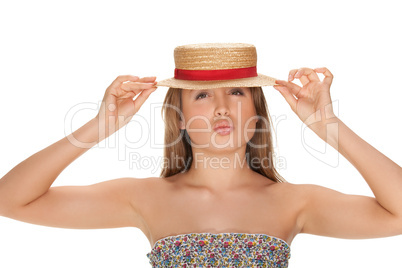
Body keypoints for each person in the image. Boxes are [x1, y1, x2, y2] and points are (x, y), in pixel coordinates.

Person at [0, 43, 401, 267]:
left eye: (238, 91)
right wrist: (99, 128)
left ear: (257, 111)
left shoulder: (296, 202)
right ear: (180, 116)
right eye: (204, 95)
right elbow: (9, 199)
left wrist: (328, 125)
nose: (223, 107)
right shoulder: (143, 198)